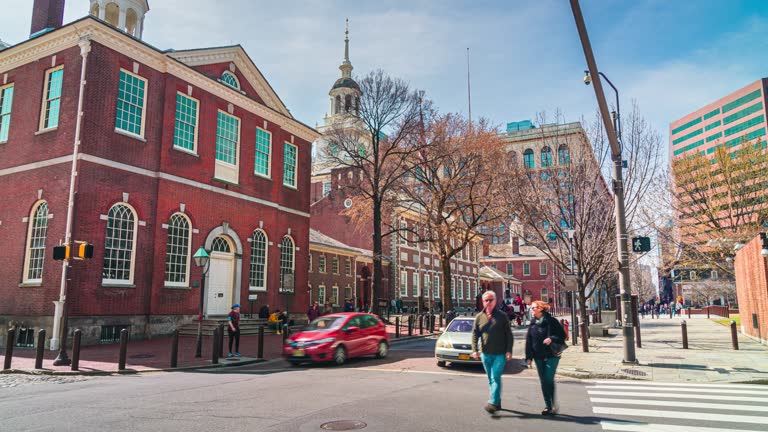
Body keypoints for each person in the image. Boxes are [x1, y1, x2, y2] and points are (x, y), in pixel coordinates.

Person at [471, 291, 514, 414]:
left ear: (495, 301)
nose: (488, 302)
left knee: (495, 377)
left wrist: (509, 350)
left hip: (500, 354)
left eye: (491, 300)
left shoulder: (502, 316)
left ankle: (493, 402)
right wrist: (474, 350)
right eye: (486, 300)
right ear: (483, 302)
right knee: (491, 378)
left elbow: (509, 335)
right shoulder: (479, 317)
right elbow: (475, 334)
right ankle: (497, 401)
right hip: (485, 354)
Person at [525, 300, 567, 416]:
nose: (531, 310)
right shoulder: (533, 323)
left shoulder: (551, 321)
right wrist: (528, 357)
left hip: (551, 355)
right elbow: (529, 341)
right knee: (544, 381)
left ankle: (552, 404)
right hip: (538, 356)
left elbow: (562, 336)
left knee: (548, 379)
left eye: (533, 308)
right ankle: (548, 406)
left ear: (540, 309)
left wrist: (551, 338)